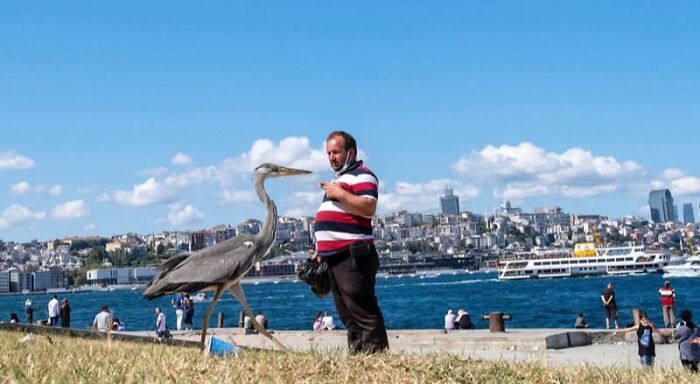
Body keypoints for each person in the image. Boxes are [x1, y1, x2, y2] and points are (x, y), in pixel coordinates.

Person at [313, 131, 389, 353]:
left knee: (362, 307)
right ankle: (358, 355)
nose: (331, 157)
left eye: (336, 152)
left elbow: (368, 207)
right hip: (333, 256)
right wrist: (320, 248)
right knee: (347, 312)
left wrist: (340, 193)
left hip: (353, 254)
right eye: (329, 153)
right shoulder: (341, 179)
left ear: (351, 152)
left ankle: (376, 355)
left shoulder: (363, 175)